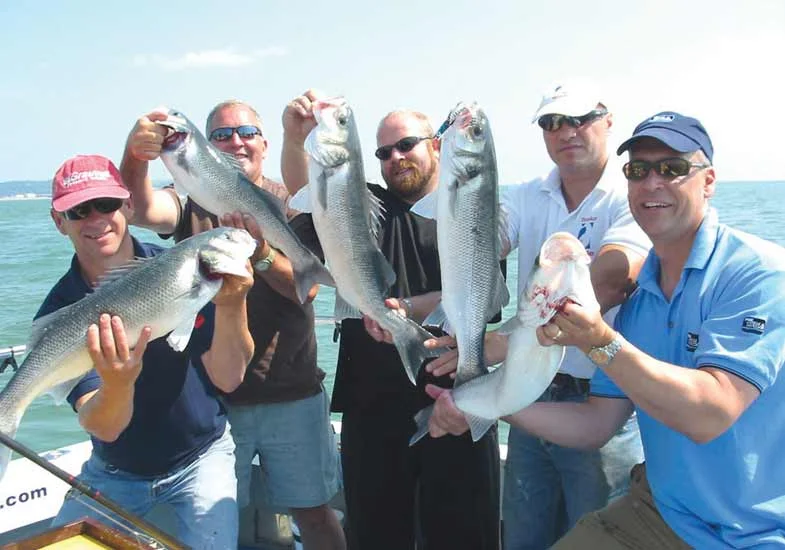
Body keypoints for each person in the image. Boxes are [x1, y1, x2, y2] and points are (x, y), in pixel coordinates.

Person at [429, 111, 785, 548]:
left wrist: (599, 341)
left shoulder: (757, 273)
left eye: (672, 169)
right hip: (660, 513)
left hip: (755, 532)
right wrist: (482, 405)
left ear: (708, 181)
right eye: (638, 170)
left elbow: (711, 413)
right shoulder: (638, 304)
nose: (652, 183)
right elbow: (595, 424)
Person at [430, 82, 650, 549]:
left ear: (608, 120)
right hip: (528, 384)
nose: (565, 131)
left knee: (598, 536)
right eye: (552, 122)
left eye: (579, 119)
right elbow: (480, 243)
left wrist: (496, 344)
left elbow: (612, 279)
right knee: (524, 536)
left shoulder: (633, 197)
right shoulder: (527, 195)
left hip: (603, 399)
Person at [121, 100, 346, 550]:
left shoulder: (294, 201)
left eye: (246, 131)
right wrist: (135, 154)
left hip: (293, 389)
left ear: (265, 142)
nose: (235, 141)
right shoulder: (190, 198)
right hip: (214, 400)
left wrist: (261, 254)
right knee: (222, 520)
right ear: (206, 145)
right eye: (221, 135)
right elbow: (138, 208)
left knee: (316, 515)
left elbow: (308, 288)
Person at [281, 90, 501, 550]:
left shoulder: (470, 209)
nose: (395, 158)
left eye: (406, 145)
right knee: (376, 535)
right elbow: (312, 199)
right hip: (371, 408)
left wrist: (414, 307)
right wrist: (295, 137)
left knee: (464, 535)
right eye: (383, 152)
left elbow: (489, 299)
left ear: (437, 146)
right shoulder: (365, 207)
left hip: (454, 398)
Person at [45, 154, 254, 549]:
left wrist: (231, 305)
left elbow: (228, 378)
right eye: (79, 210)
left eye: (107, 204)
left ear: (127, 205)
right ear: (59, 222)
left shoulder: (183, 269)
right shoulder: (61, 311)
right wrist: (119, 383)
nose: (96, 219)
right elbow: (103, 425)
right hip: (114, 471)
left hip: (201, 458)